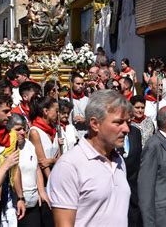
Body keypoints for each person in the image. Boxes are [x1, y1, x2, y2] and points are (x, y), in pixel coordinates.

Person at [47, 90, 132, 226]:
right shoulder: (69, 165)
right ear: (95, 124)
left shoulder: (119, 160)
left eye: (127, 122)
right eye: (118, 122)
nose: (126, 129)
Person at [3, 114, 50, 227]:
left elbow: (37, 168)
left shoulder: (29, 145)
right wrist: (20, 198)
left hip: (33, 203)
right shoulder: (6, 150)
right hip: (16, 205)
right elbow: (14, 174)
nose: (22, 132)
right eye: (18, 129)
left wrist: (42, 191)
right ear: (9, 130)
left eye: (24, 128)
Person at [29, 97, 61, 180]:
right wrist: (51, 182)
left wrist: (51, 161)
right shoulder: (35, 132)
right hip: (44, 179)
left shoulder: (55, 129)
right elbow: (43, 163)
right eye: (56, 111)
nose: (58, 114)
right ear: (46, 111)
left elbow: (59, 157)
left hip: (56, 174)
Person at [68, 73, 88, 138]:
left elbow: (95, 119)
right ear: (71, 84)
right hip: (71, 136)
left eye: (82, 84)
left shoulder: (88, 100)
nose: (81, 86)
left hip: (85, 135)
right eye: (78, 84)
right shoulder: (66, 100)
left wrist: (85, 120)